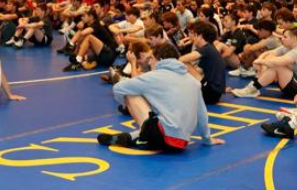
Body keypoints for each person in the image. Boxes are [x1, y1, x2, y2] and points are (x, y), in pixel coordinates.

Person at [96, 42, 225, 151]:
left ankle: (143, 135)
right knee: (160, 113)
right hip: (181, 144)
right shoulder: (194, 82)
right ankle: (130, 137)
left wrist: (127, 106)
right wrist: (207, 139)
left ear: (161, 60)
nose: (150, 61)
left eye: (152, 58)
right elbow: (202, 114)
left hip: (161, 136)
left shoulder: (155, 76)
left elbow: (117, 88)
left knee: (131, 93)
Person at [232, 27, 297, 99]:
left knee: (276, 65)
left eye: (285, 37)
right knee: (271, 61)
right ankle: (252, 89)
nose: (282, 39)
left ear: (294, 38)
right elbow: (269, 53)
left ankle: (252, 89)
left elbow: (279, 62)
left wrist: (260, 62)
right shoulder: (287, 47)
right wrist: (260, 60)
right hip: (293, 83)